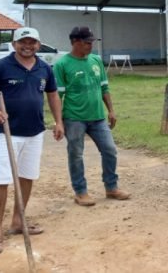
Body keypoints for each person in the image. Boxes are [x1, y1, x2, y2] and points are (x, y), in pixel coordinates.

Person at [0, 27, 64, 255]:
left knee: (27, 177)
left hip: (35, 132)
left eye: (32, 42)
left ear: (38, 44)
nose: (28, 46)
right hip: (6, 132)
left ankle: (17, 221)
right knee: (1, 179)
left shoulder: (45, 68)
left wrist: (59, 122)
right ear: (14, 44)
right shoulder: (0, 67)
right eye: (23, 42)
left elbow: (52, 94)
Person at [53, 26, 130, 207]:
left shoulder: (96, 60)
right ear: (75, 42)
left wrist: (111, 110)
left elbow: (104, 88)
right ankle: (80, 192)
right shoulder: (62, 64)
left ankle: (111, 187)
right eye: (87, 42)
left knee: (110, 150)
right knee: (76, 155)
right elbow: (57, 96)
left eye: (91, 42)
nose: (90, 46)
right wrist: (59, 122)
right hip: (74, 118)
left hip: (98, 117)